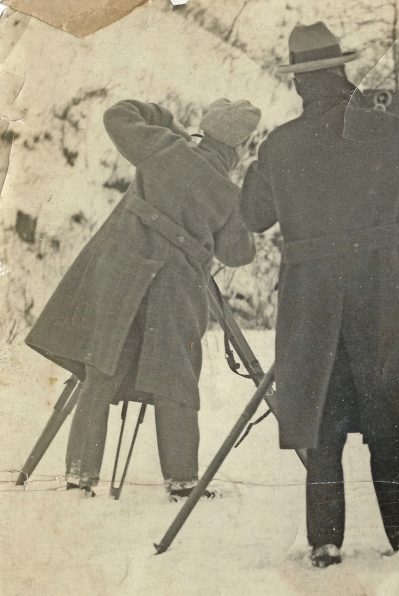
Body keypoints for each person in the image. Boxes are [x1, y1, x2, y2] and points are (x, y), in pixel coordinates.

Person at [239, 22, 399, 568]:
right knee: (385, 408)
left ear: (300, 84)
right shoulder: (380, 133)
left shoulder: (281, 145)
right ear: (341, 73)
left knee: (322, 410)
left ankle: (325, 541)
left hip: (310, 302)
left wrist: (260, 163)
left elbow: (253, 216)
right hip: (381, 291)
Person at [25, 98, 260, 498]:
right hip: (177, 289)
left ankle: (80, 477)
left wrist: (168, 124)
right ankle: (182, 482)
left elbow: (117, 114)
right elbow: (239, 254)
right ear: (236, 149)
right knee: (175, 381)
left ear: (204, 130)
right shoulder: (228, 193)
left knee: (101, 370)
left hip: (123, 276)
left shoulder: (165, 148)